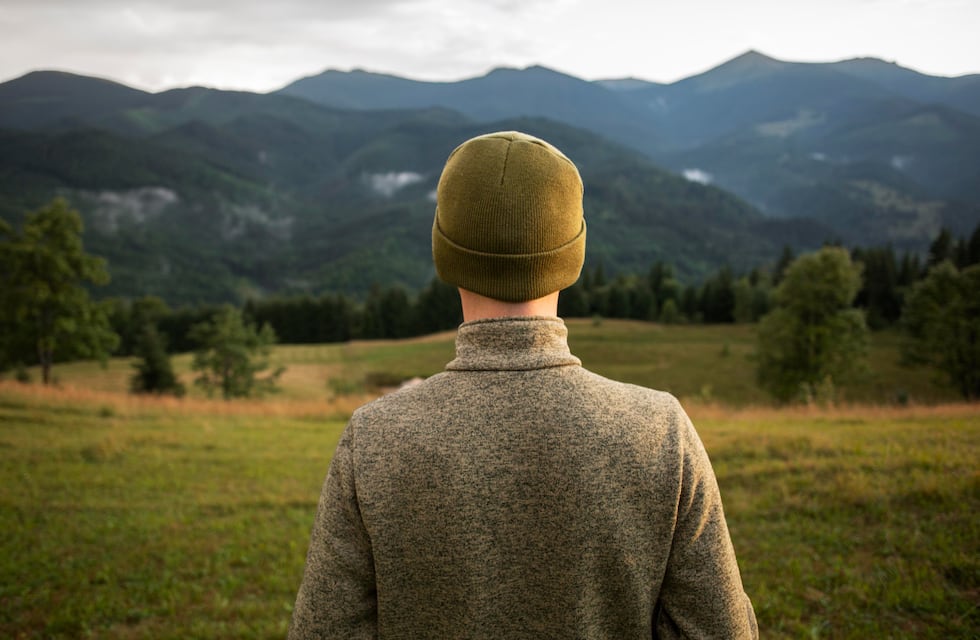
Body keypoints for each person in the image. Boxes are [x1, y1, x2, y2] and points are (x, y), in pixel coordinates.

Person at [289, 131, 758, 639]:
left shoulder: (374, 439)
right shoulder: (660, 433)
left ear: (444, 253)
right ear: (573, 255)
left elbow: (324, 629)